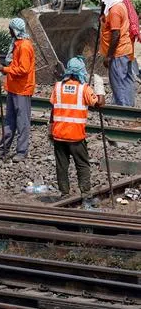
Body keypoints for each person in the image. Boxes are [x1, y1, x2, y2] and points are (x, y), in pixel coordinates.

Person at [50, 57, 104, 207]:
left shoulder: (58, 87)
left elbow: (53, 109)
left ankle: (64, 193)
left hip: (59, 134)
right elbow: (100, 104)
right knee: (83, 165)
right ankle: (86, 196)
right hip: (76, 136)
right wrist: (99, 88)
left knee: (61, 165)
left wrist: (50, 129)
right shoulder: (84, 88)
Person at [0, 17, 36, 162]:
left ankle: (22, 151)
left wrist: (5, 69)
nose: (8, 31)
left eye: (10, 29)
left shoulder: (24, 46)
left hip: (22, 89)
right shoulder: (17, 44)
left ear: (15, 30)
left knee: (22, 122)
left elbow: (23, 69)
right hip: (13, 87)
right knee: (10, 121)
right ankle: (3, 149)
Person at [99, 0, 135, 107]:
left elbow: (116, 34)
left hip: (118, 53)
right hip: (125, 50)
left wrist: (109, 56)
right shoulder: (120, 5)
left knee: (118, 82)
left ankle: (122, 110)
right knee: (126, 81)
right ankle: (129, 108)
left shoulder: (114, 11)